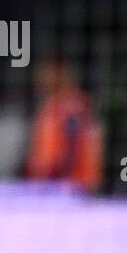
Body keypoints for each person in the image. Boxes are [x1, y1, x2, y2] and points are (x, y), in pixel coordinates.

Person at [24, 53, 102, 193]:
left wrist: (56, 179)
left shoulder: (73, 104)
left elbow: (72, 144)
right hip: (53, 184)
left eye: (47, 71)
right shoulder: (53, 103)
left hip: (68, 186)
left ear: (60, 73)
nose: (41, 77)